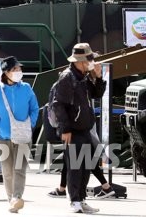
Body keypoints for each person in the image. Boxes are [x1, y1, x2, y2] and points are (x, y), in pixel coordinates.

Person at [53, 43, 106, 214]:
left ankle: (81, 199)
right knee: (75, 167)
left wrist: (98, 77)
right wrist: (65, 129)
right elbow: (58, 105)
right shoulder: (68, 77)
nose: (92, 61)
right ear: (81, 61)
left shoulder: (83, 76)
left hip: (85, 129)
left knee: (86, 167)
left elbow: (96, 94)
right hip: (73, 131)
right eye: (90, 58)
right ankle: (75, 200)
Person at [0, 56, 39, 213]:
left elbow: (35, 108)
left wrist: (30, 124)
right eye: (15, 69)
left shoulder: (26, 88)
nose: (19, 72)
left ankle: (17, 197)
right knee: (7, 171)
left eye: (19, 69)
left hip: (23, 137)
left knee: (19, 170)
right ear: (6, 72)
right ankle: (11, 199)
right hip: (4, 137)